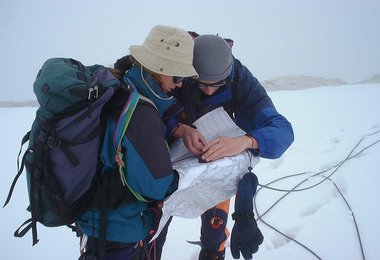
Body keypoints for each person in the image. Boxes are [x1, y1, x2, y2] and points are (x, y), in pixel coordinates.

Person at [168, 34, 294, 259]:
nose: (208, 91)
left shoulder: (240, 80)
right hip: (171, 159)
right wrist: (179, 128)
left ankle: (213, 250)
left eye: (216, 84)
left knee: (214, 227)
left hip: (215, 164)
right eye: (201, 83)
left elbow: (282, 130)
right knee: (155, 220)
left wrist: (246, 141)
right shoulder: (177, 70)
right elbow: (150, 111)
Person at [77, 24, 198, 260]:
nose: (180, 84)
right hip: (119, 228)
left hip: (96, 220)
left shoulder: (122, 88)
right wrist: (192, 174)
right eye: (178, 75)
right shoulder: (139, 112)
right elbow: (156, 186)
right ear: (158, 68)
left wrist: (178, 129)